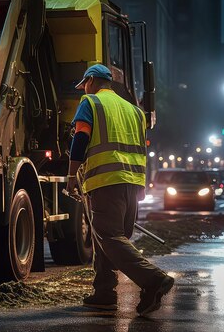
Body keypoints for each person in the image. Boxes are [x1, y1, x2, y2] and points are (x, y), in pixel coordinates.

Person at [65, 64, 174, 316]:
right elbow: (141, 149)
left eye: (85, 84)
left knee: (108, 237)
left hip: (107, 181)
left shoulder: (90, 103)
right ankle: (104, 294)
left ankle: (154, 279)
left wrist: (72, 176)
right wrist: (141, 187)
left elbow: (80, 139)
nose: (84, 89)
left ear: (91, 81)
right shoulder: (135, 111)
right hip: (132, 184)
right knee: (111, 239)